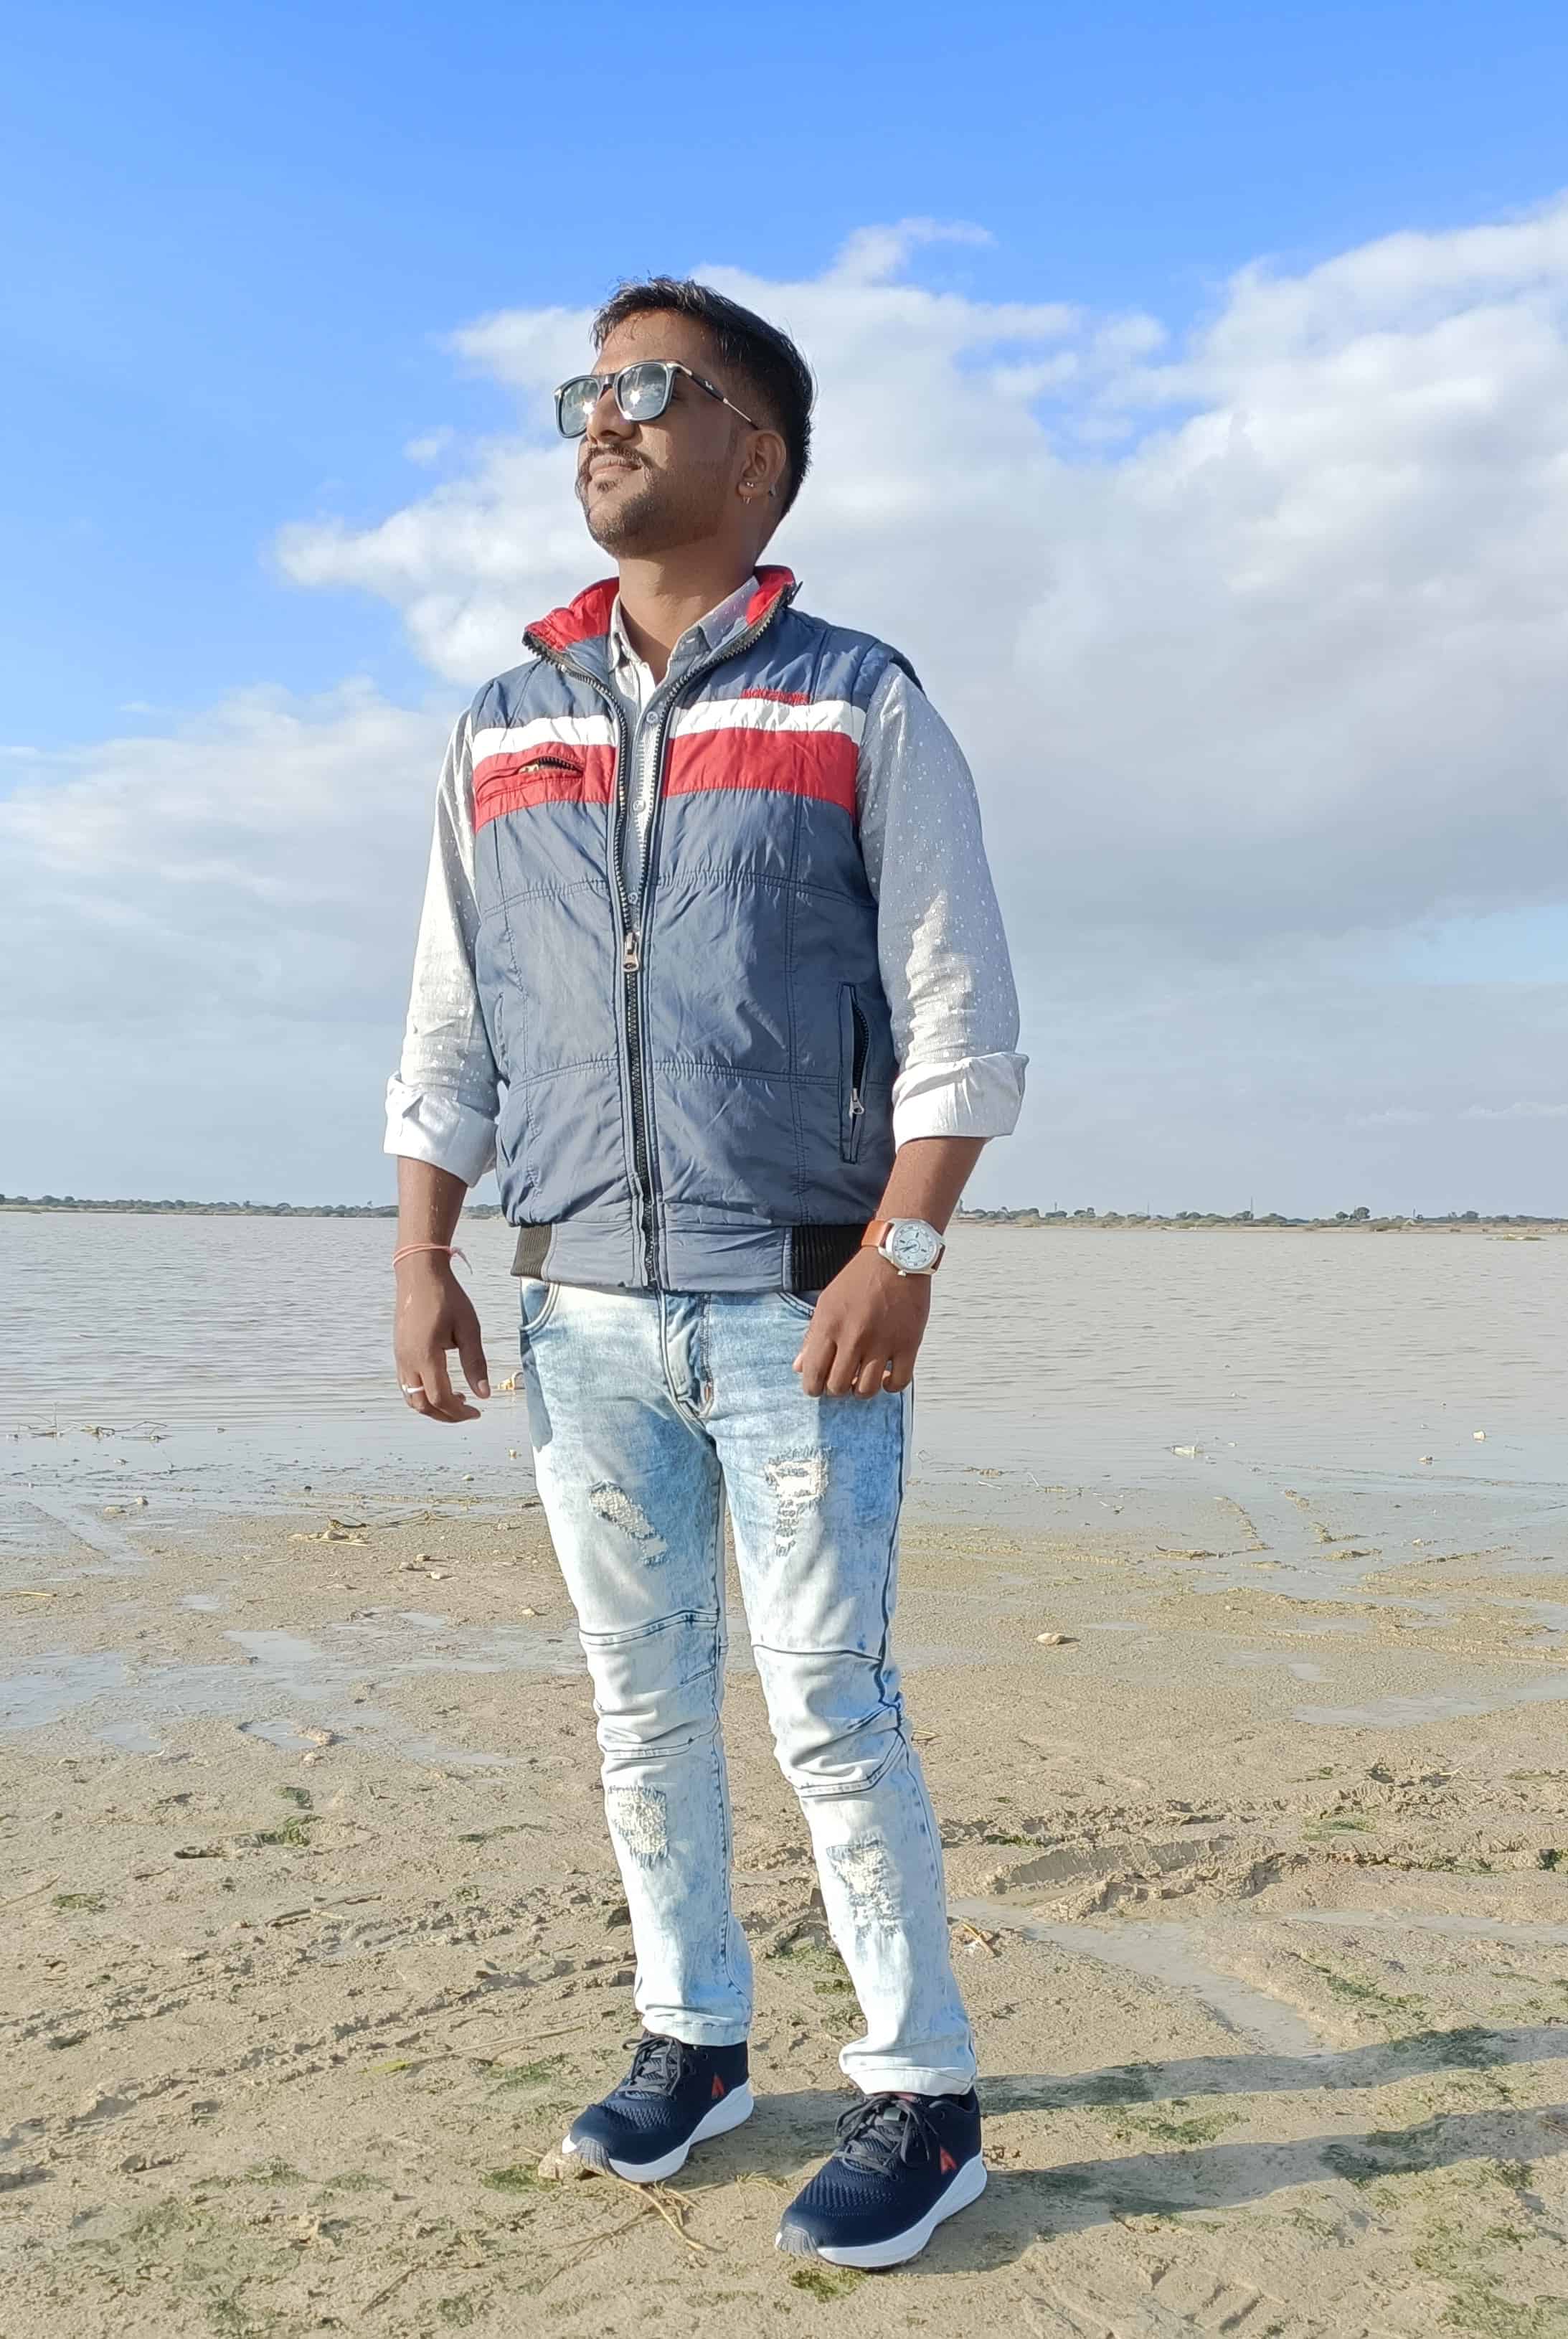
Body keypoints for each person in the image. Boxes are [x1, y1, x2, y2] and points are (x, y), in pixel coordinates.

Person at [384, 276, 1025, 2271]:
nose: (603, 419)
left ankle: (924, 2092)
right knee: (639, 1698)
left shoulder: (855, 698)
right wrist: (423, 1251)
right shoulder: (502, 727)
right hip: (576, 1304)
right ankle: (697, 2034)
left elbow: (962, 1010)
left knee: (831, 1700)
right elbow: (448, 1026)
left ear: (758, 448)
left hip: (801, 1301)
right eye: (585, 392)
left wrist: (904, 1250)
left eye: (649, 388)